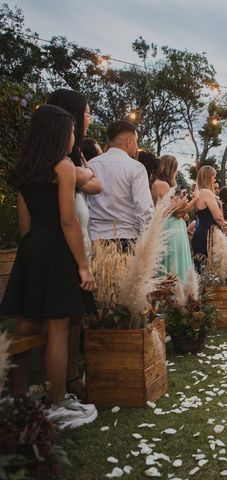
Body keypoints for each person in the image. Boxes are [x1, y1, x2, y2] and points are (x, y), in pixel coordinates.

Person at [0, 105, 97, 428]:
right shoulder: (63, 167)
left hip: (32, 249)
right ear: (60, 134)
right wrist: (83, 266)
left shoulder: (25, 170)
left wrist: (32, 255)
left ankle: (18, 396)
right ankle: (56, 400)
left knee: (26, 324)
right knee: (57, 327)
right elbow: (68, 220)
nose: (73, 137)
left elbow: (24, 224)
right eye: (71, 131)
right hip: (57, 247)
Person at [46, 88, 102, 401]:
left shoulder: (74, 155)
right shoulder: (58, 161)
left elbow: (96, 184)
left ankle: (71, 373)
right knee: (59, 323)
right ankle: (62, 382)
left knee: (76, 318)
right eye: (86, 112)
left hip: (79, 243)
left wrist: (82, 172)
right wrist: (80, 174)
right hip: (64, 248)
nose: (89, 118)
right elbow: (87, 187)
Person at [87, 121, 154, 251]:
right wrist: (147, 241)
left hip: (95, 237)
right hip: (126, 237)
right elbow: (144, 209)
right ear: (129, 141)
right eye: (136, 141)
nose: (137, 146)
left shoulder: (91, 165)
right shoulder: (136, 168)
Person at [152, 154, 197, 282]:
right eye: (175, 169)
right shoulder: (163, 185)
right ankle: (176, 295)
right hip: (171, 228)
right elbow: (177, 212)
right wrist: (194, 199)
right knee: (174, 262)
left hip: (171, 226)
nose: (176, 173)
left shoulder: (158, 184)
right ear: (170, 169)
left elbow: (184, 215)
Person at [191, 166, 227, 271]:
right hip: (207, 235)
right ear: (208, 177)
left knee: (201, 268)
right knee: (208, 268)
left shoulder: (199, 192)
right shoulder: (207, 193)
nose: (215, 179)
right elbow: (218, 216)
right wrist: (225, 225)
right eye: (214, 176)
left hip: (200, 233)